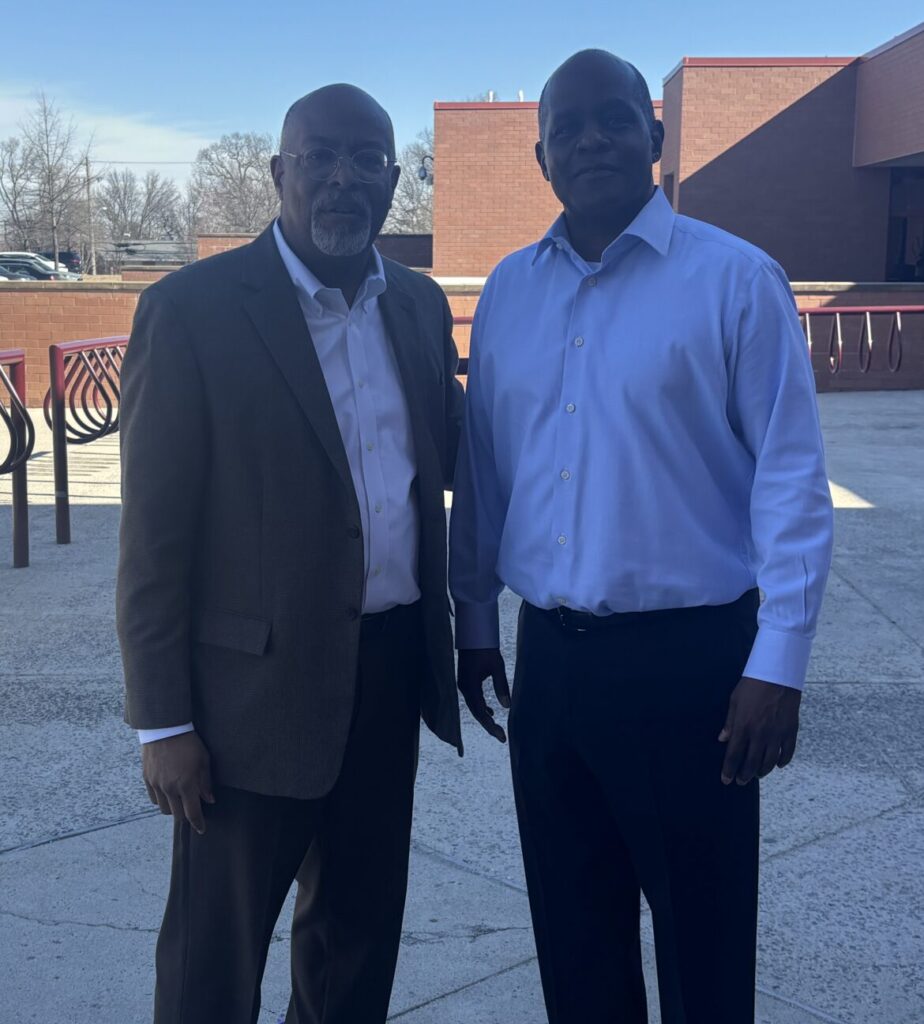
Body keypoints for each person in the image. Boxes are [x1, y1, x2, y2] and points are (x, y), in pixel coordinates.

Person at [449, 49, 834, 1024]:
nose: (591, 141)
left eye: (613, 119)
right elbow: (489, 468)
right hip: (554, 668)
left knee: (704, 956)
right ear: (540, 157)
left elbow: (790, 480)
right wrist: (476, 624)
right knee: (575, 951)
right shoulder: (509, 295)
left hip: (694, 668)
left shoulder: (737, 282)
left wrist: (779, 662)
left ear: (655, 136)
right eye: (567, 128)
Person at [116, 83, 464, 1024]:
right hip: (242, 709)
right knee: (212, 965)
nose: (344, 178)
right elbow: (154, 538)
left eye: (367, 159)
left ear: (396, 179)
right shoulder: (191, 312)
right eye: (321, 157)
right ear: (279, 173)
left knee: (356, 946)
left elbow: (448, 468)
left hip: (386, 681)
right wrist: (163, 724)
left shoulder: (421, 309)